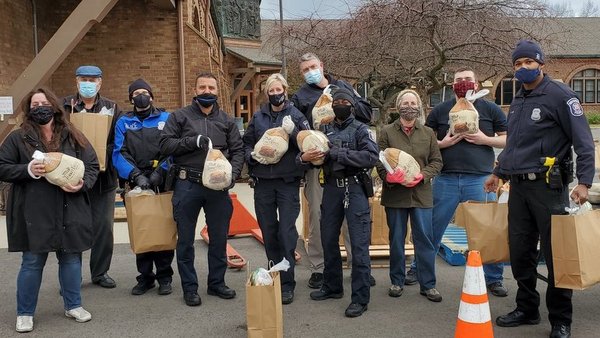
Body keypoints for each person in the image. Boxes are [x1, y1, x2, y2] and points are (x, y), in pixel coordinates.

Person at [485, 40, 594, 338]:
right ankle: (527, 308)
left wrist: (584, 182)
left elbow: (584, 143)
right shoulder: (518, 98)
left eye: (528, 63)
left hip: (549, 188)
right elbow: (515, 144)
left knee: (557, 255)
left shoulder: (561, 96)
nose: (522, 69)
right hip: (518, 188)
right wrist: (498, 172)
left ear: (541, 64)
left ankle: (561, 319)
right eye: (517, 64)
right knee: (520, 252)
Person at [0, 87, 99, 332]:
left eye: (44, 103)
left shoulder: (73, 135)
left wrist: (82, 184)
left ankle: (73, 305)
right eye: (35, 105)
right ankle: (25, 313)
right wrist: (28, 170)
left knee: (71, 257)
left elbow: (92, 165)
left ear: (54, 107)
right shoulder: (17, 138)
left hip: (70, 206)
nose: (40, 107)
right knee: (32, 261)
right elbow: (2, 167)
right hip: (35, 209)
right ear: (28, 110)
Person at [410, 67, 509, 296]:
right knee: (431, 228)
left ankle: (493, 278)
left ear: (476, 83)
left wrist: (485, 139)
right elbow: (424, 140)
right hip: (445, 178)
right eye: (458, 80)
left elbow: (508, 140)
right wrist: (442, 144)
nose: (463, 83)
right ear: (451, 85)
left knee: (488, 230)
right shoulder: (442, 110)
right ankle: (419, 269)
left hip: (480, 179)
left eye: (467, 79)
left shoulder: (490, 109)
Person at [290, 52, 374, 289]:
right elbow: (297, 131)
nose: (310, 72)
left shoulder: (342, 86)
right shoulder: (300, 97)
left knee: (353, 220)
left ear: (322, 66)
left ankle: (358, 267)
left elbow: (367, 115)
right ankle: (319, 268)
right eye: (305, 69)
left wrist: (344, 98)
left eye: (313, 67)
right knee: (318, 218)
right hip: (319, 166)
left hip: (349, 165)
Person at [159, 72, 244, 307]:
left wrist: (232, 175)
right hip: (188, 184)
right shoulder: (179, 117)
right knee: (185, 240)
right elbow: (165, 144)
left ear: (218, 92)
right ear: (195, 90)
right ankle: (190, 288)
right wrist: (191, 141)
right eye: (202, 87)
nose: (207, 91)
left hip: (218, 187)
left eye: (211, 87)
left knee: (218, 237)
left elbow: (238, 150)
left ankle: (217, 283)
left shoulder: (227, 120)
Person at [308, 88, 378, 318]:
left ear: (352, 105)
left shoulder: (360, 129)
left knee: (358, 247)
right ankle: (332, 286)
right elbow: (313, 155)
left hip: (355, 189)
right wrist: (305, 156)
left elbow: (371, 157)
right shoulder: (323, 129)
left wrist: (339, 154)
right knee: (328, 239)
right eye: (336, 101)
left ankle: (360, 298)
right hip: (330, 189)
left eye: (344, 101)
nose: (340, 104)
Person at [243, 73, 310, 305]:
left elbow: (306, 144)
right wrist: (251, 157)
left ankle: (288, 282)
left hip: (287, 183)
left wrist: (293, 133)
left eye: (278, 89)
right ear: (266, 93)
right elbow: (247, 143)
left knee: (286, 233)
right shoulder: (258, 116)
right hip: (262, 182)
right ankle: (274, 277)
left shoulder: (296, 115)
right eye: (271, 91)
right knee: (269, 232)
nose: (275, 94)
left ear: (285, 89)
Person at [376, 89, 443, 302]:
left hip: (421, 194)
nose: (409, 105)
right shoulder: (386, 132)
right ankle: (397, 281)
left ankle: (428, 284)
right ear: (398, 106)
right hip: (395, 195)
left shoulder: (428, 133)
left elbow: (437, 162)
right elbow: (379, 160)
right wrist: (388, 177)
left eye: (413, 102)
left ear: (419, 107)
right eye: (405, 102)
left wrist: (423, 175)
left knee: (424, 239)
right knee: (396, 239)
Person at [112, 79, 174, 296]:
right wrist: (136, 175)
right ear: (131, 98)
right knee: (143, 227)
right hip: (136, 181)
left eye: (144, 92)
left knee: (163, 227)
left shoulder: (166, 118)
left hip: (162, 180)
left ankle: (165, 276)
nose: (141, 96)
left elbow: (172, 149)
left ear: (152, 96)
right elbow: (119, 152)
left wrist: (160, 171)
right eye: (136, 93)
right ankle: (145, 277)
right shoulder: (124, 122)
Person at [63, 65, 121, 289]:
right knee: (72, 226)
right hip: (72, 176)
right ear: (77, 81)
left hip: (104, 179)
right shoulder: (64, 106)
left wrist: (103, 154)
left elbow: (120, 140)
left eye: (93, 79)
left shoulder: (112, 108)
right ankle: (71, 275)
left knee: (104, 227)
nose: (88, 83)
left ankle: (100, 272)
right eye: (84, 79)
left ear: (100, 82)